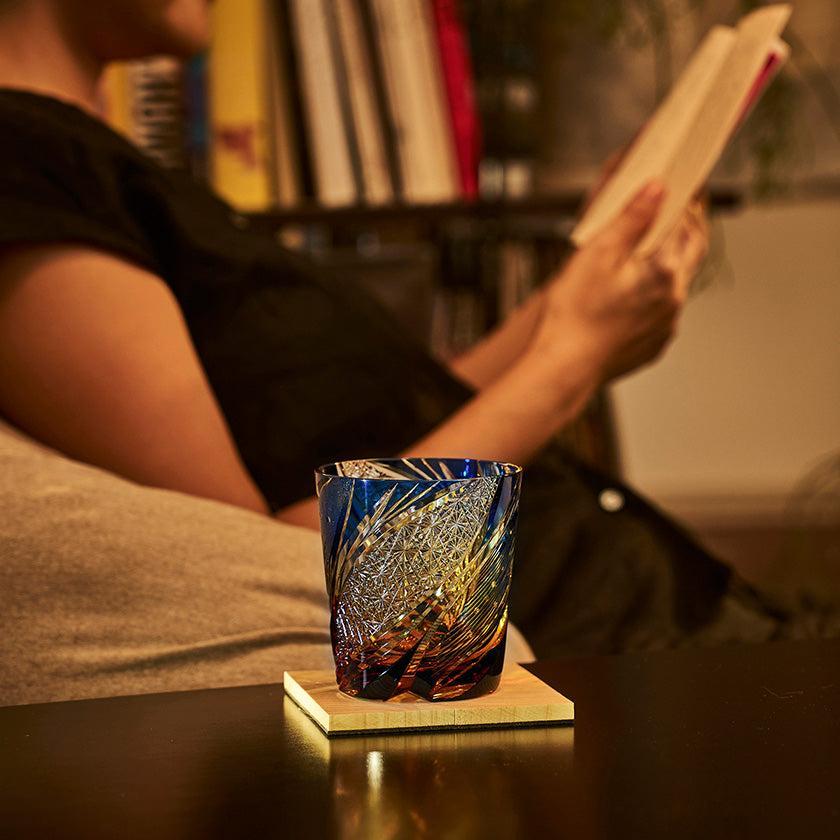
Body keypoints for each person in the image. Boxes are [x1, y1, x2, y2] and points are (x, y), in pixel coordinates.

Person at [0, 0, 797, 660]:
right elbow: (261, 569)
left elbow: (400, 428)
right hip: (593, 656)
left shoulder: (96, 163)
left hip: (661, 607)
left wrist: (582, 290)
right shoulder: (23, 167)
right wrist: (574, 362)